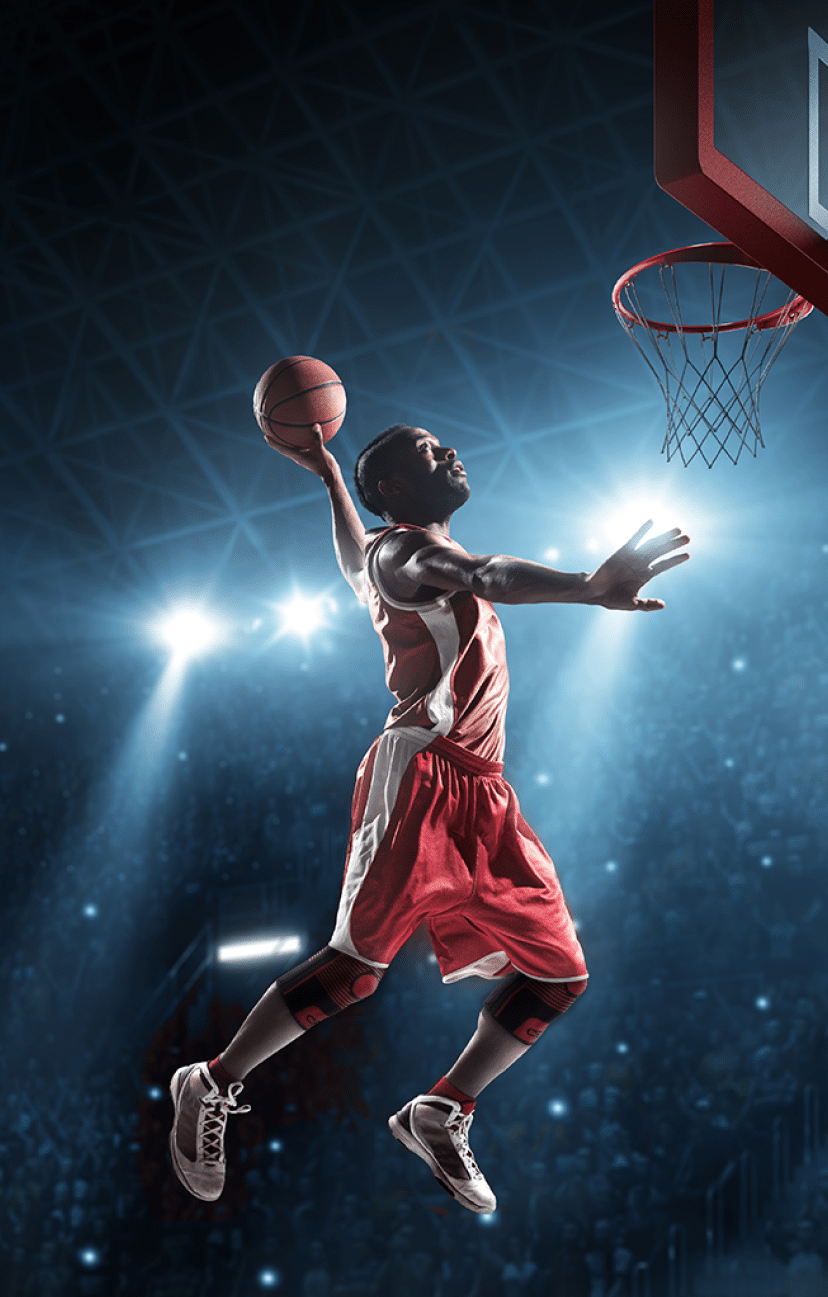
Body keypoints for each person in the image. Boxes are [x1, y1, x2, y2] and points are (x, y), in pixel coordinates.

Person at [168, 420, 689, 1214]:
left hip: (486, 790)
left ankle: (442, 1107)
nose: (448, 450)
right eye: (426, 450)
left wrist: (329, 472)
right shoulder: (408, 553)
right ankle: (210, 1082)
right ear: (401, 493)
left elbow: (352, 555)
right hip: (419, 775)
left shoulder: (383, 558)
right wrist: (588, 584)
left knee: (560, 974)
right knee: (354, 971)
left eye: (442, 441)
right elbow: (481, 569)